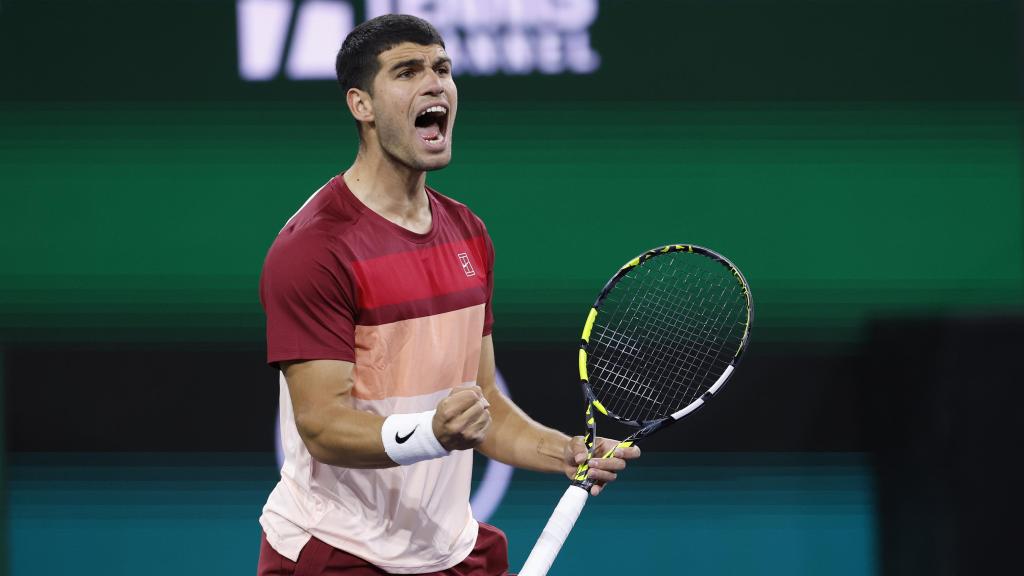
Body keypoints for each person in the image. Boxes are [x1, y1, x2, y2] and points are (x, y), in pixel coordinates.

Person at [256, 14, 640, 576]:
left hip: (450, 550)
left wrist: (565, 451)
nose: (434, 84)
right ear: (361, 105)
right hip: (339, 552)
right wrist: (430, 433)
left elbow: (483, 402)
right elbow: (322, 426)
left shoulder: (467, 233)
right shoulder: (315, 248)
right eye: (407, 72)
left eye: (441, 68)